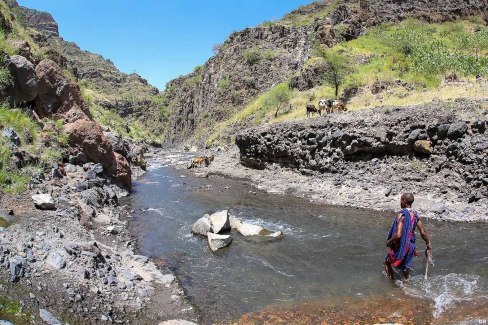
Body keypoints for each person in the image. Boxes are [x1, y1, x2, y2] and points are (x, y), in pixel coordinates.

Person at [384, 193, 432, 280]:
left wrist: (389, 242)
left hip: (400, 245)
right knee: (406, 268)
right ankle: (405, 285)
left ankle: (392, 283)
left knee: (387, 262)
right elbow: (423, 232)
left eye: (400, 200)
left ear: (404, 201)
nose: (400, 202)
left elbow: (398, 235)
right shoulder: (415, 215)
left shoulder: (401, 215)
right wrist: (428, 244)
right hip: (410, 246)